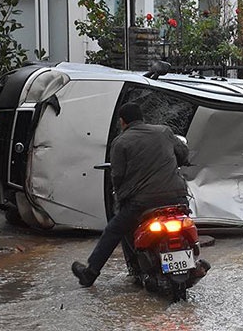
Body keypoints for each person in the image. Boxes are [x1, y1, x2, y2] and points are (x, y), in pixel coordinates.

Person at [72, 102, 208, 287]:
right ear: (142, 118)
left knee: (114, 230)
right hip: (177, 197)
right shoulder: (164, 131)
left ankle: (90, 273)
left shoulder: (120, 142)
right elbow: (183, 154)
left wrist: (119, 197)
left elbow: (117, 175)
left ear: (122, 122)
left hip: (142, 202)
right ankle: (194, 265)